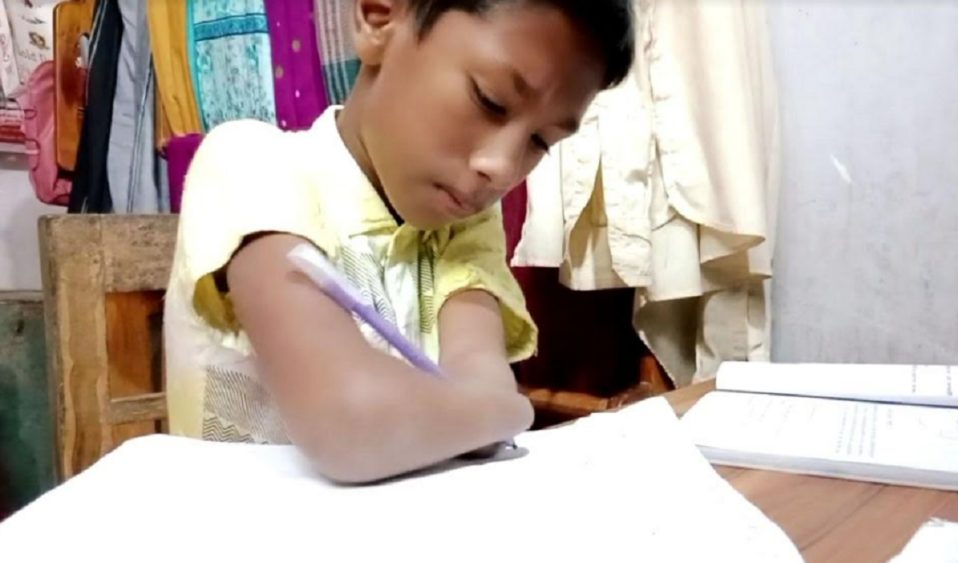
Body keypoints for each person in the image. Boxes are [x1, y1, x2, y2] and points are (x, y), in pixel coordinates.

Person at [163, 0, 634, 483]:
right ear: (379, 18)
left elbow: (483, 380)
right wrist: (506, 412)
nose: (502, 168)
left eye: (540, 142)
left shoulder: (465, 225)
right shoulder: (251, 163)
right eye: (490, 100)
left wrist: (486, 408)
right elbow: (349, 424)